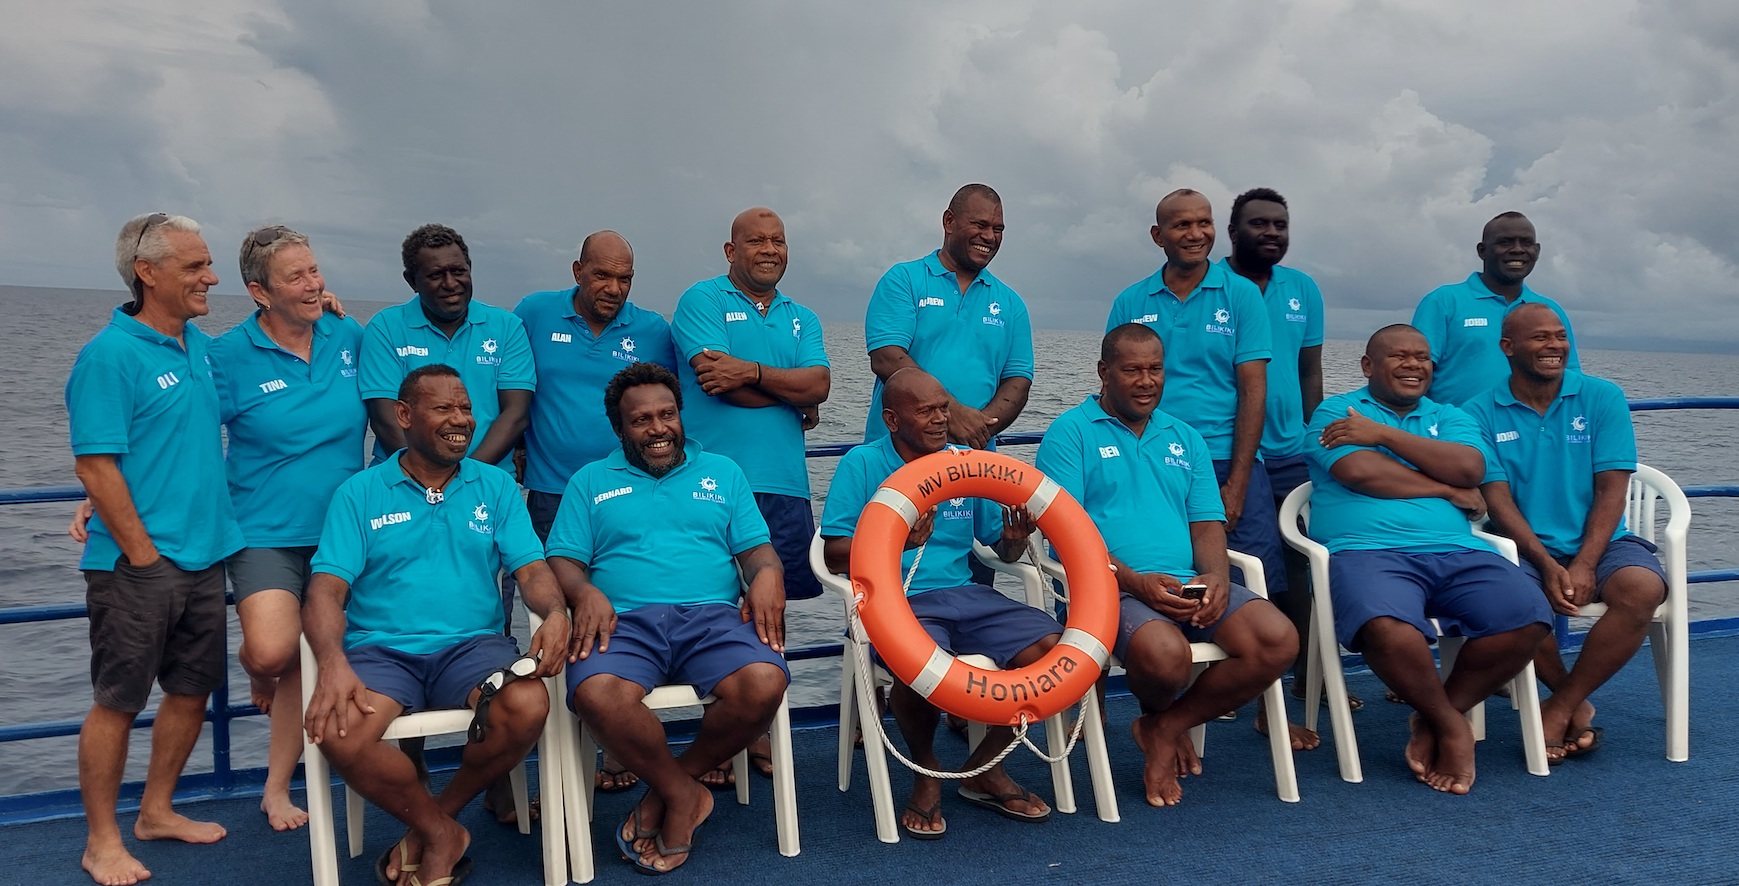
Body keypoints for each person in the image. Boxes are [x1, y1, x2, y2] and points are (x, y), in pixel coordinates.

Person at [302, 364, 572, 886]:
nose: (461, 420)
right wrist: (332, 663)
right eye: (444, 408)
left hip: (473, 648)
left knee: (527, 703)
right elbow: (324, 591)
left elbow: (533, 570)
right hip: (382, 651)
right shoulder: (359, 493)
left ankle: (437, 820)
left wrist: (556, 613)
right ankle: (440, 831)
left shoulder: (494, 486)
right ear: (404, 415)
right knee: (342, 732)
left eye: (466, 408)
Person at [1037, 325, 1297, 806]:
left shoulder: (1186, 436)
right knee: (1165, 654)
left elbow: (1206, 524)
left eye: (1155, 369)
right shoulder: (1069, 434)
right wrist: (1135, 581)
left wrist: (1216, 577)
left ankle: (1164, 725)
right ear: (1104, 372)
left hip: (1186, 583)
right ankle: (1164, 721)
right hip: (1107, 587)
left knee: (1277, 639)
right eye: (1132, 369)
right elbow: (1066, 535)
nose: (1145, 380)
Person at [547, 363, 789, 874]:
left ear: (681, 416)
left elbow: (758, 553)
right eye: (641, 420)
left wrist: (768, 574)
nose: (658, 429)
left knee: (765, 682)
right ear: (620, 429)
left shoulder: (723, 472)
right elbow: (564, 560)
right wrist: (582, 590)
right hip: (626, 622)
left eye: (667, 415)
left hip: (712, 618)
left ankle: (670, 789)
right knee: (596, 694)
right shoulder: (590, 480)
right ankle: (684, 794)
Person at [66, 213, 246, 886]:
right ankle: (101, 841)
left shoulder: (196, 344)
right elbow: (97, 464)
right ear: (149, 273)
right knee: (118, 699)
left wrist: (327, 308)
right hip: (138, 564)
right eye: (196, 266)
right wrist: (141, 552)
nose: (211, 276)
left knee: (191, 691)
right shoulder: (109, 356)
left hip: (205, 555)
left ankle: (156, 811)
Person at [1305, 325, 1551, 794]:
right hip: (1367, 549)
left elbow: (1470, 468)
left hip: (1458, 549)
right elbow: (1360, 472)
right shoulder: (1335, 410)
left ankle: (1436, 715)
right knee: (1385, 626)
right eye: (1398, 356)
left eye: (1422, 357)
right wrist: (1442, 485)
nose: (1413, 365)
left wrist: (1381, 435)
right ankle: (1452, 725)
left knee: (1527, 613)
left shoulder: (1450, 415)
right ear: (1367, 366)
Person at [821, 368, 1060, 839]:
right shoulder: (863, 464)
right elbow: (833, 552)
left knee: (1053, 651)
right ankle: (926, 769)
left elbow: (999, 548)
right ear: (891, 419)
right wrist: (896, 542)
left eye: (944, 409)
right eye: (925, 411)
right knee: (920, 664)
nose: (939, 420)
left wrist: (1013, 541)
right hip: (897, 599)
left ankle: (985, 766)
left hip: (967, 594)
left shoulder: (966, 462)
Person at [211, 225, 366, 830]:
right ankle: (257, 668)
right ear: (258, 291)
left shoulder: (347, 334)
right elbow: (179, 430)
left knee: (313, 654)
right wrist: (103, 490)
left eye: (314, 271)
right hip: (264, 530)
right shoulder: (225, 357)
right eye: (295, 277)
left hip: (343, 535)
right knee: (277, 652)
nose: (313, 284)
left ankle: (277, 787)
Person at [1464, 304, 1666, 762]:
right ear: (1508, 347)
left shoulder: (1602, 397)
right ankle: (1572, 701)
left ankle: (1560, 706)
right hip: (1522, 547)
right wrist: (1547, 563)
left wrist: (1586, 561)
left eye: (1559, 336)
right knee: (1514, 602)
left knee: (1642, 588)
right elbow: (1497, 500)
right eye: (1539, 338)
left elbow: (1612, 489)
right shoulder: (1477, 412)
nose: (1554, 346)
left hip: (1604, 542)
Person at [514, 229, 675, 794]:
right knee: (550, 618)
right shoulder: (533, 313)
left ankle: (609, 747)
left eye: (625, 278)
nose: (614, 288)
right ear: (577, 269)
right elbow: (501, 384)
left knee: (608, 622)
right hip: (551, 494)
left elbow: (676, 405)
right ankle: (550, 753)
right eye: (603, 275)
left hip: (621, 496)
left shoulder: (653, 329)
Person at [1106, 189, 1283, 617]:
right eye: (1182, 224)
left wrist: (1237, 485)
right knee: (1165, 575)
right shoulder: (1131, 301)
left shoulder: (1241, 296)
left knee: (1246, 587)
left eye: (1203, 223)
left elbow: (1253, 390)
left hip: (1226, 458)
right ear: (1158, 234)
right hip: (1154, 461)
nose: (1195, 233)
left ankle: (1256, 682)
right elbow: (1114, 381)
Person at [1221, 187, 1344, 744]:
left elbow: (1309, 370)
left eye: (1280, 225)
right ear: (1234, 231)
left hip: (1292, 453)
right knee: (1237, 568)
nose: (1271, 233)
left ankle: (1300, 681)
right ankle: (1232, 683)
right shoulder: (1216, 286)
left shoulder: (1303, 290)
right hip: (1228, 450)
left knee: (1302, 576)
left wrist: (1315, 438)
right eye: (1259, 224)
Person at [672, 207, 829, 606]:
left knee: (774, 608)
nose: (769, 249)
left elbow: (820, 384)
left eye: (777, 240)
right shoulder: (703, 299)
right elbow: (721, 385)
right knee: (708, 604)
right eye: (756, 240)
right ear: (730, 250)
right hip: (711, 484)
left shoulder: (803, 317)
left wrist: (752, 371)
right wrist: (794, 398)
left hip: (785, 485)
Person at [863, 184, 1033, 449]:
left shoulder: (1012, 303)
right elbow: (886, 358)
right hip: (898, 458)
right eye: (980, 224)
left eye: (997, 229)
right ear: (949, 221)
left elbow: (1018, 381)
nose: (989, 236)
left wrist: (977, 428)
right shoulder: (903, 280)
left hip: (974, 463)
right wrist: (951, 415)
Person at [360, 223, 535, 469]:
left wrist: (464, 479)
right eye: (435, 275)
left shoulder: (507, 327)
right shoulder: (385, 328)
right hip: (403, 483)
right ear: (412, 281)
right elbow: (384, 418)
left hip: (487, 480)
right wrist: (428, 476)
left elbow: (515, 415)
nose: (450, 283)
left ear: (470, 269)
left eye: (458, 271)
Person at [1410, 212, 1580, 406]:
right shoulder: (1444, 301)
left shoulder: (1550, 311)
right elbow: (1415, 370)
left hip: (1531, 429)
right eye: (1505, 242)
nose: (1517, 250)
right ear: (1482, 250)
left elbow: (1570, 376)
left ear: (1537, 250)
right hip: (1457, 430)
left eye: (1526, 242)